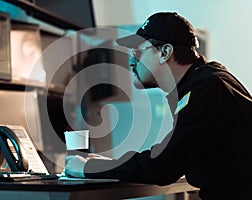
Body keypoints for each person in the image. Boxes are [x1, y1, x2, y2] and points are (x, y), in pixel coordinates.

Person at [64, 12, 252, 200]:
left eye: (137, 52)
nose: (131, 61)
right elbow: (170, 157)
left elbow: (163, 165)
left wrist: (86, 168)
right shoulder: (200, 84)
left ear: (165, 52)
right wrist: (110, 164)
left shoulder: (208, 88)